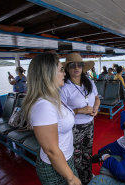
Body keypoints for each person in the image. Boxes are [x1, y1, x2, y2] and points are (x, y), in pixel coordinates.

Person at [22, 53, 81, 185]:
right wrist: (71, 178)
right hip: (55, 167)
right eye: (61, 69)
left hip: (64, 160)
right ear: (48, 74)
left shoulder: (51, 97)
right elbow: (51, 150)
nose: (64, 73)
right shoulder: (43, 105)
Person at [61, 53, 100, 185]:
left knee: (88, 152)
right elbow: (60, 113)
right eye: (72, 65)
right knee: (76, 157)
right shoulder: (64, 88)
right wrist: (79, 111)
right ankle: (78, 180)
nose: (76, 67)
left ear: (83, 67)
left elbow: (96, 98)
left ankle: (88, 177)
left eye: (79, 65)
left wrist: (95, 109)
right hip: (74, 128)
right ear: (67, 69)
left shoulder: (89, 82)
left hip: (89, 123)